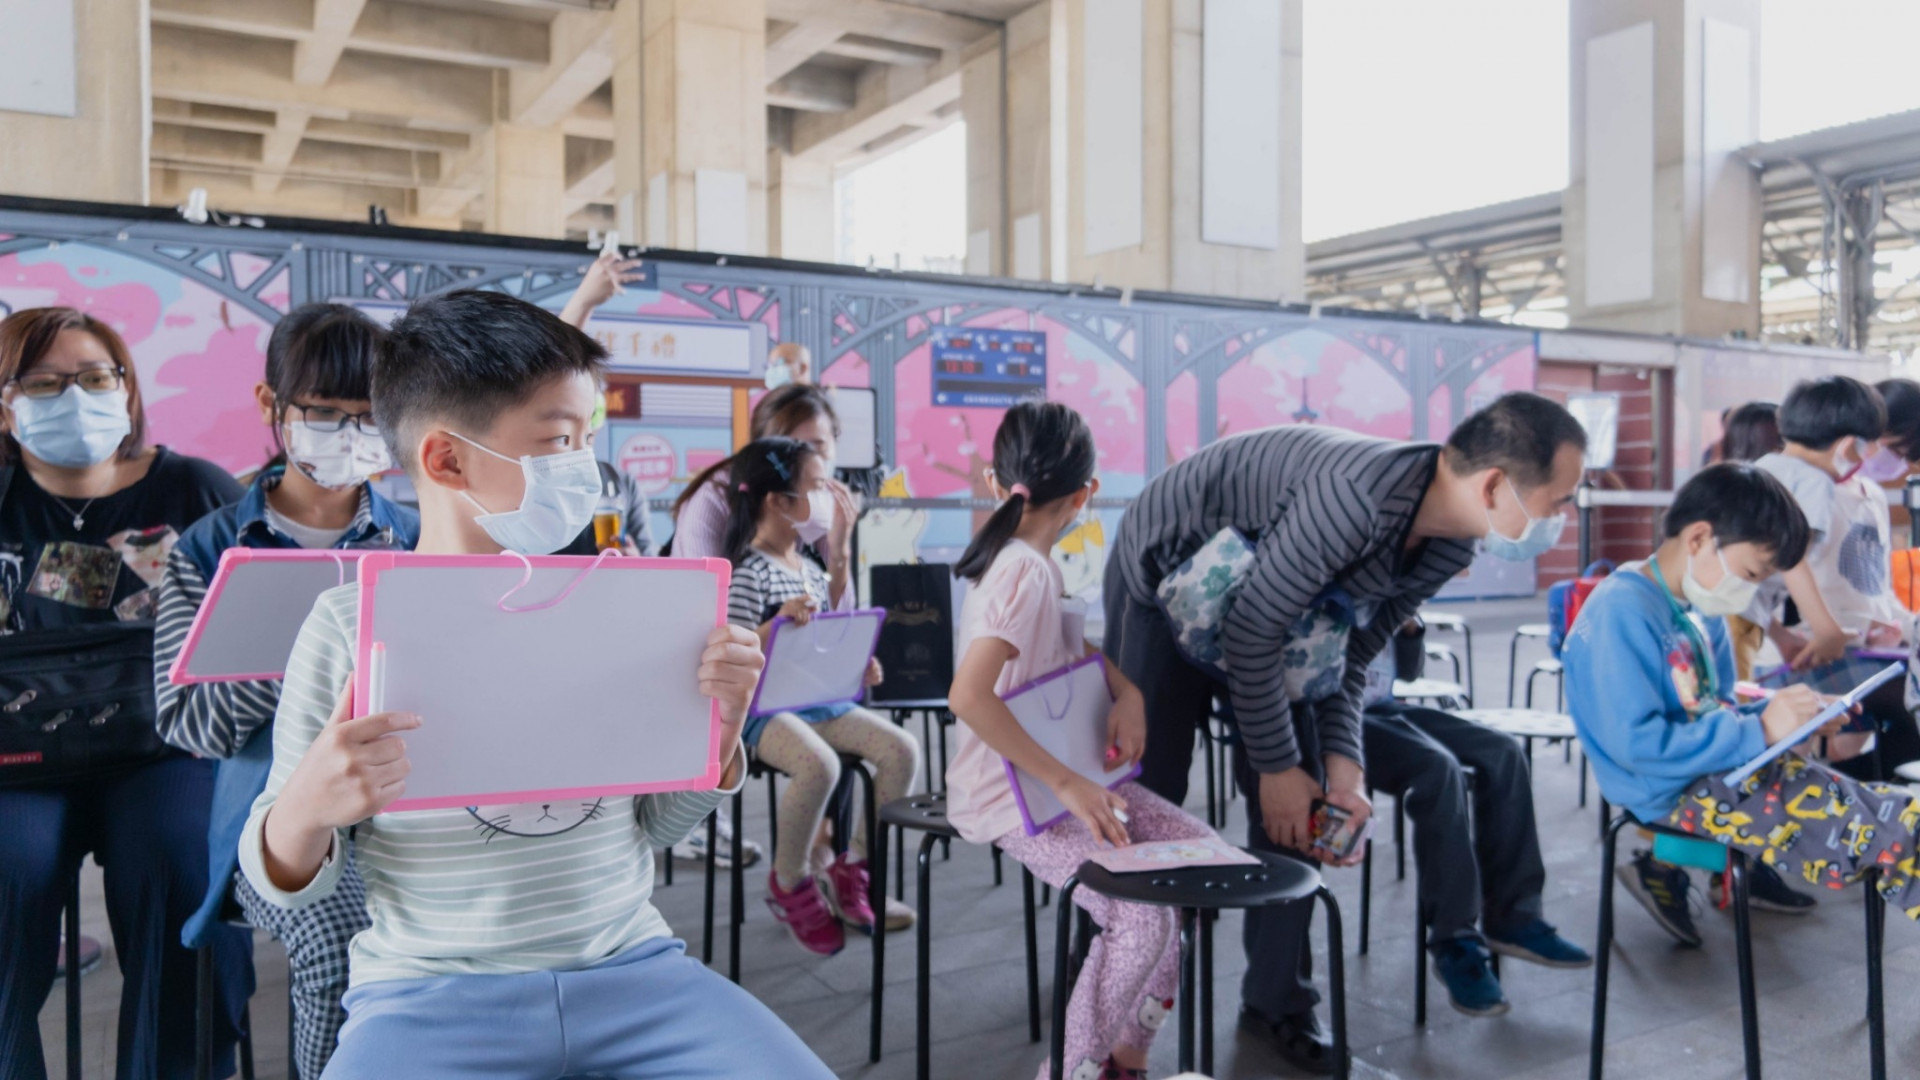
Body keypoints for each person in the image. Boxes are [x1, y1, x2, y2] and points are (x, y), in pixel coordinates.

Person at [238, 289, 834, 1079]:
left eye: (587, 438)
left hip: (636, 972)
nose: (585, 467)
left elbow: (654, 828)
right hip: (429, 997)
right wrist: (309, 805)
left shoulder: (618, 604)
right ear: (446, 460)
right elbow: (280, 883)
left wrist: (719, 736)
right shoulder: (351, 625)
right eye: (558, 441)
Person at [1103, 392, 1587, 1074]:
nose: (1565, 517)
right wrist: (1275, 768)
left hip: (1262, 612)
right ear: (1493, 486)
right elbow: (1252, 631)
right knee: (1153, 791)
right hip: (1165, 581)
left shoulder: (1449, 541)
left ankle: (1276, 1002)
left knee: (1296, 811)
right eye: (1560, 501)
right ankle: (1102, 984)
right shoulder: (1354, 500)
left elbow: (1350, 654)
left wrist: (1344, 766)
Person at [152, 303, 419, 1079]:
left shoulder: (415, 536)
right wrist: (306, 660)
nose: (351, 433)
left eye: (370, 416)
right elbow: (185, 721)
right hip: (272, 822)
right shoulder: (209, 549)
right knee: (339, 946)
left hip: (408, 809)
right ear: (272, 405)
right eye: (325, 412)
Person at [0, 306, 251, 1080]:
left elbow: (249, 632)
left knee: (182, 864)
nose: (75, 398)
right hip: (18, 754)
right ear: (5, 403)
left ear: (127, 387)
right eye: (43, 383)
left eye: (94, 377)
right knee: (9, 869)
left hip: (163, 743)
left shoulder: (194, 489)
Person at [948, 401, 1218, 1080]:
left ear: (994, 481)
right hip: (1013, 797)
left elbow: (1072, 647)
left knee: (1195, 862)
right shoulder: (1021, 570)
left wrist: (1128, 692)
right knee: (1143, 916)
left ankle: (1126, 1056)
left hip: (1055, 780)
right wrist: (1068, 783)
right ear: (1086, 493)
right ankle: (1072, 1070)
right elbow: (969, 697)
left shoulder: (1030, 564)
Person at [1566, 463, 1920, 950]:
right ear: (1698, 538)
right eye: (1752, 574)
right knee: (1893, 838)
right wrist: (1762, 730)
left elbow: (1718, 710)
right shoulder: (1621, 611)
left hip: (1719, 772)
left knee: (1898, 814)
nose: (1751, 591)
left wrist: (1793, 718)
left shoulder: (1699, 609)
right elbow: (1638, 746)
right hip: (1672, 789)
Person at [724, 436, 920, 952]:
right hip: (765, 711)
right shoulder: (746, 572)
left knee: (902, 750)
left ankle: (854, 865)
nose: (827, 498)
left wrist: (856, 667)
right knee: (821, 766)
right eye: (816, 487)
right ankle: (789, 881)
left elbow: (824, 646)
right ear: (777, 501)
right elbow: (731, 651)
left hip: (821, 702)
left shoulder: (810, 568)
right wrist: (775, 626)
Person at [665, 382, 862, 880]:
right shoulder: (717, 499)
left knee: (854, 698)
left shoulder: (818, 500)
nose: (813, 460)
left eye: (821, 447)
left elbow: (841, 624)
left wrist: (840, 552)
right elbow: (703, 620)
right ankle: (792, 862)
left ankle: (832, 856)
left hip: (797, 680)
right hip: (734, 679)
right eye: (798, 445)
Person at [1358, 627, 1589, 1019]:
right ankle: (1455, 941)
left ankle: (1514, 917)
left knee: (1504, 752)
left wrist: (1410, 628)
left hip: (1383, 708)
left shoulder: (1392, 597)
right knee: (1438, 770)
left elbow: (1408, 673)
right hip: (1336, 718)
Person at [1716, 402, 1784, 680]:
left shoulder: (1736, 487)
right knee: (1735, 693)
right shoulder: (1759, 497)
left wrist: (1780, 635)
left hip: (1749, 619)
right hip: (1737, 619)